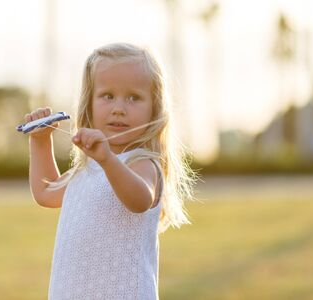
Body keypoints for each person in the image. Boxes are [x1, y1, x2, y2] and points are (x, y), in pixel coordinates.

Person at [25, 43, 196, 299]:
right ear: (89, 104)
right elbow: (46, 191)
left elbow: (139, 199)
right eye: (107, 96)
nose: (119, 108)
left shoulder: (142, 163)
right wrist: (40, 142)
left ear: (154, 107)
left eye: (134, 98)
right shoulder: (87, 169)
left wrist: (107, 160)